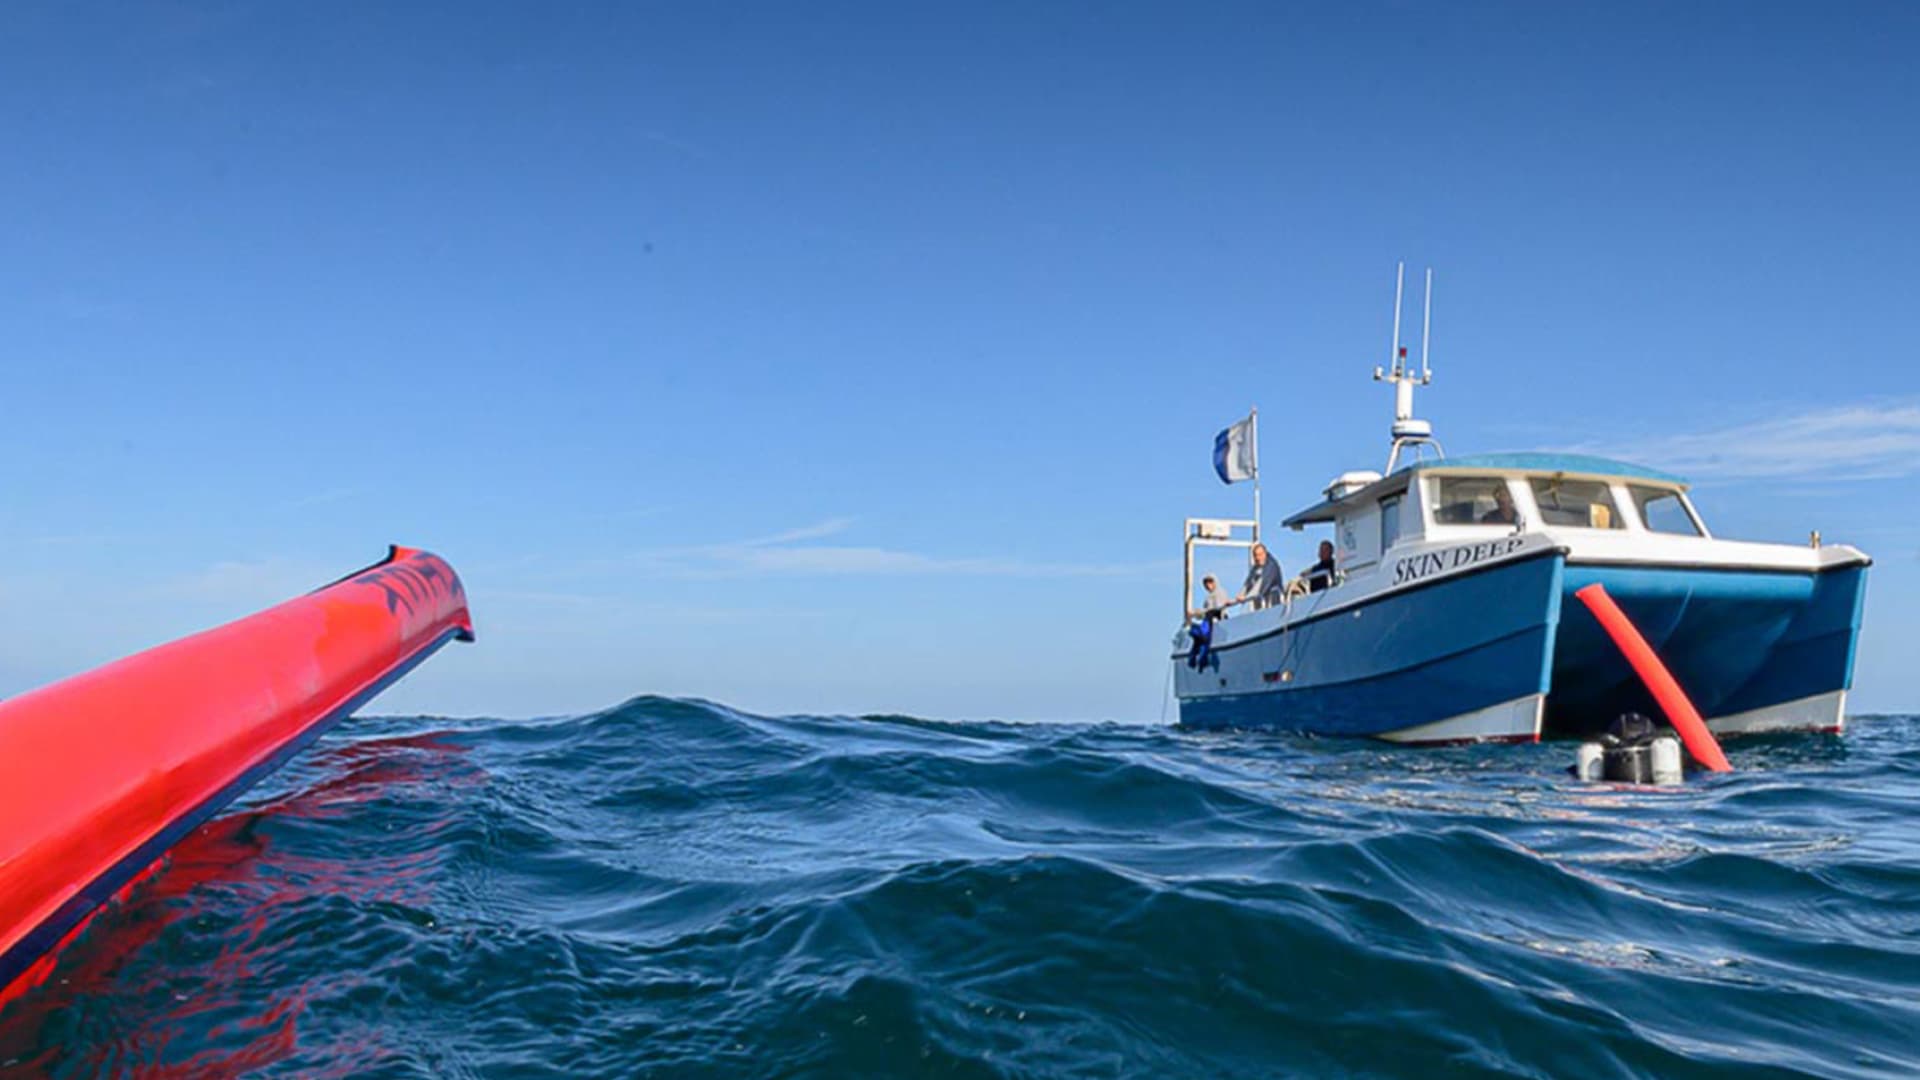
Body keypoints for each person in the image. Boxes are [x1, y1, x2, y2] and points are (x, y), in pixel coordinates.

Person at [1238, 543, 1283, 610]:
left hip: (1274, 602)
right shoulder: (1256, 567)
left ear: (1265, 553)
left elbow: (1260, 585)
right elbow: (1248, 582)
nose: (1258, 558)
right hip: (1261, 603)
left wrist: (1246, 598)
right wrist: (1239, 595)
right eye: (1255, 556)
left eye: (1260, 555)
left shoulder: (1271, 566)